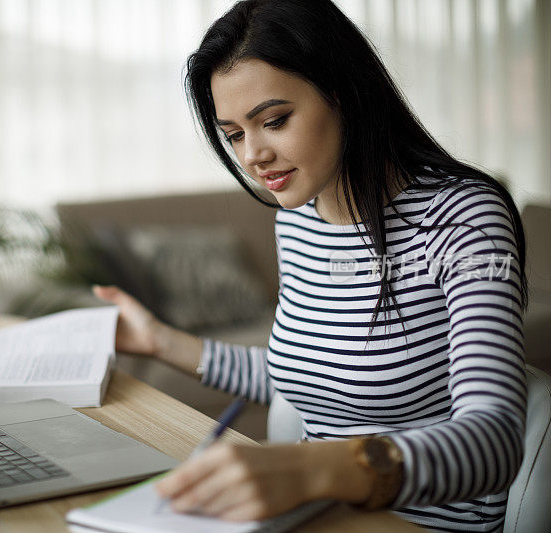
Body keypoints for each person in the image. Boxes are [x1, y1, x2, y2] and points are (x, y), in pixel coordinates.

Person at [92, 1, 527, 531]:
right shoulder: (298, 218)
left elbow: (495, 441)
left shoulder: (464, 218)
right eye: (233, 134)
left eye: (274, 121)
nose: (253, 155)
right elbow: (305, 376)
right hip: (314, 517)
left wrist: (309, 469)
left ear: (345, 93)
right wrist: (159, 340)